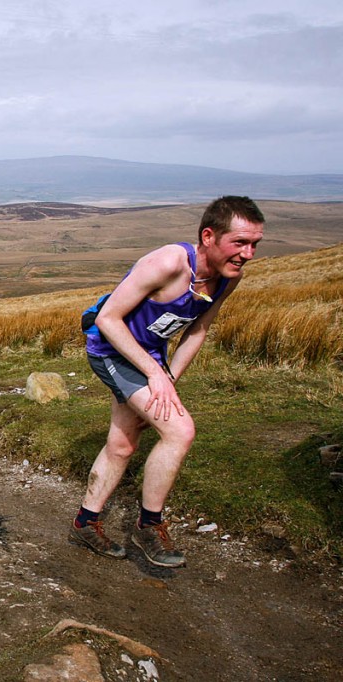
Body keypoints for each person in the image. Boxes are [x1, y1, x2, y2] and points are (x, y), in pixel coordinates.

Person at [69, 196, 265, 569]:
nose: (248, 254)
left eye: (255, 244)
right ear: (208, 236)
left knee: (123, 444)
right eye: (240, 242)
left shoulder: (226, 277)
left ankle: (85, 522)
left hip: (148, 356)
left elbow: (198, 330)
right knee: (180, 431)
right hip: (110, 349)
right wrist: (156, 374)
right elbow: (109, 319)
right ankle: (148, 526)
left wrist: (168, 378)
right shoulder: (167, 263)